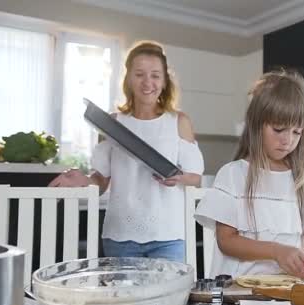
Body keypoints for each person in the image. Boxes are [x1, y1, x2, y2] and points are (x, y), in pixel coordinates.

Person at [194, 70, 304, 279]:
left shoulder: (302, 180)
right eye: (279, 129)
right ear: (256, 125)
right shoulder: (233, 175)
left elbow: (302, 240)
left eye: (296, 132)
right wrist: (276, 251)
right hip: (237, 292)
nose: (287, 140)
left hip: (283, 293)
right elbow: (226, 241)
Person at [49, 41, 204, 262]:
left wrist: (178, 177)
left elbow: (195, 178)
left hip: (168, 237)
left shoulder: (179, 122)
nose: (147, 82)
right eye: (139, 74)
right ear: (129, 79)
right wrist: (83, 180)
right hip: (120, 237)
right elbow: (101, 182)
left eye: (155, 75)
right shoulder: (112, 124)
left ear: (164, 81)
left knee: (168, 297)